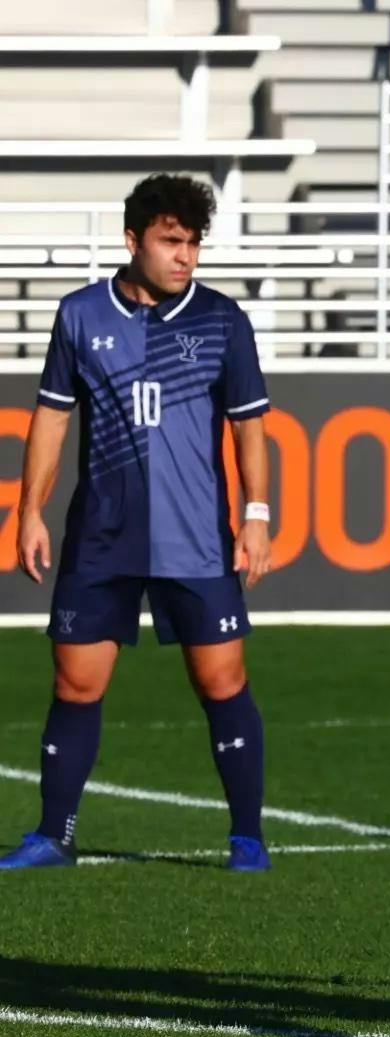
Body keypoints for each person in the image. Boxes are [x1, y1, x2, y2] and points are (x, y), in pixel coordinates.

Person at [4, 173, 275, 873]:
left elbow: (250, 430)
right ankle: (54, 835)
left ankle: (247, 837)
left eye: (193, 244)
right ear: (133, 240)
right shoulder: (80, 315)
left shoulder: (222, 321)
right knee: (76, 684)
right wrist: (28, 510)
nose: (186, 256)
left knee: (222, 682)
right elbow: (52, 418)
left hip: (196, 539)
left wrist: (256, 515)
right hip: (102, 536)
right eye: (171, 242)